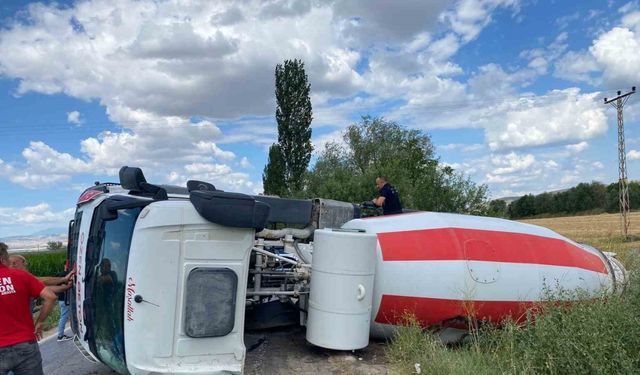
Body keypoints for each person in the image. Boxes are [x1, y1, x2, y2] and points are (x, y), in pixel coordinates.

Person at [0, 242, 58, 375]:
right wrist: (40, 321)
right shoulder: (21, 276)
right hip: (25, 344)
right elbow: (50, 297)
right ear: (3, 258)